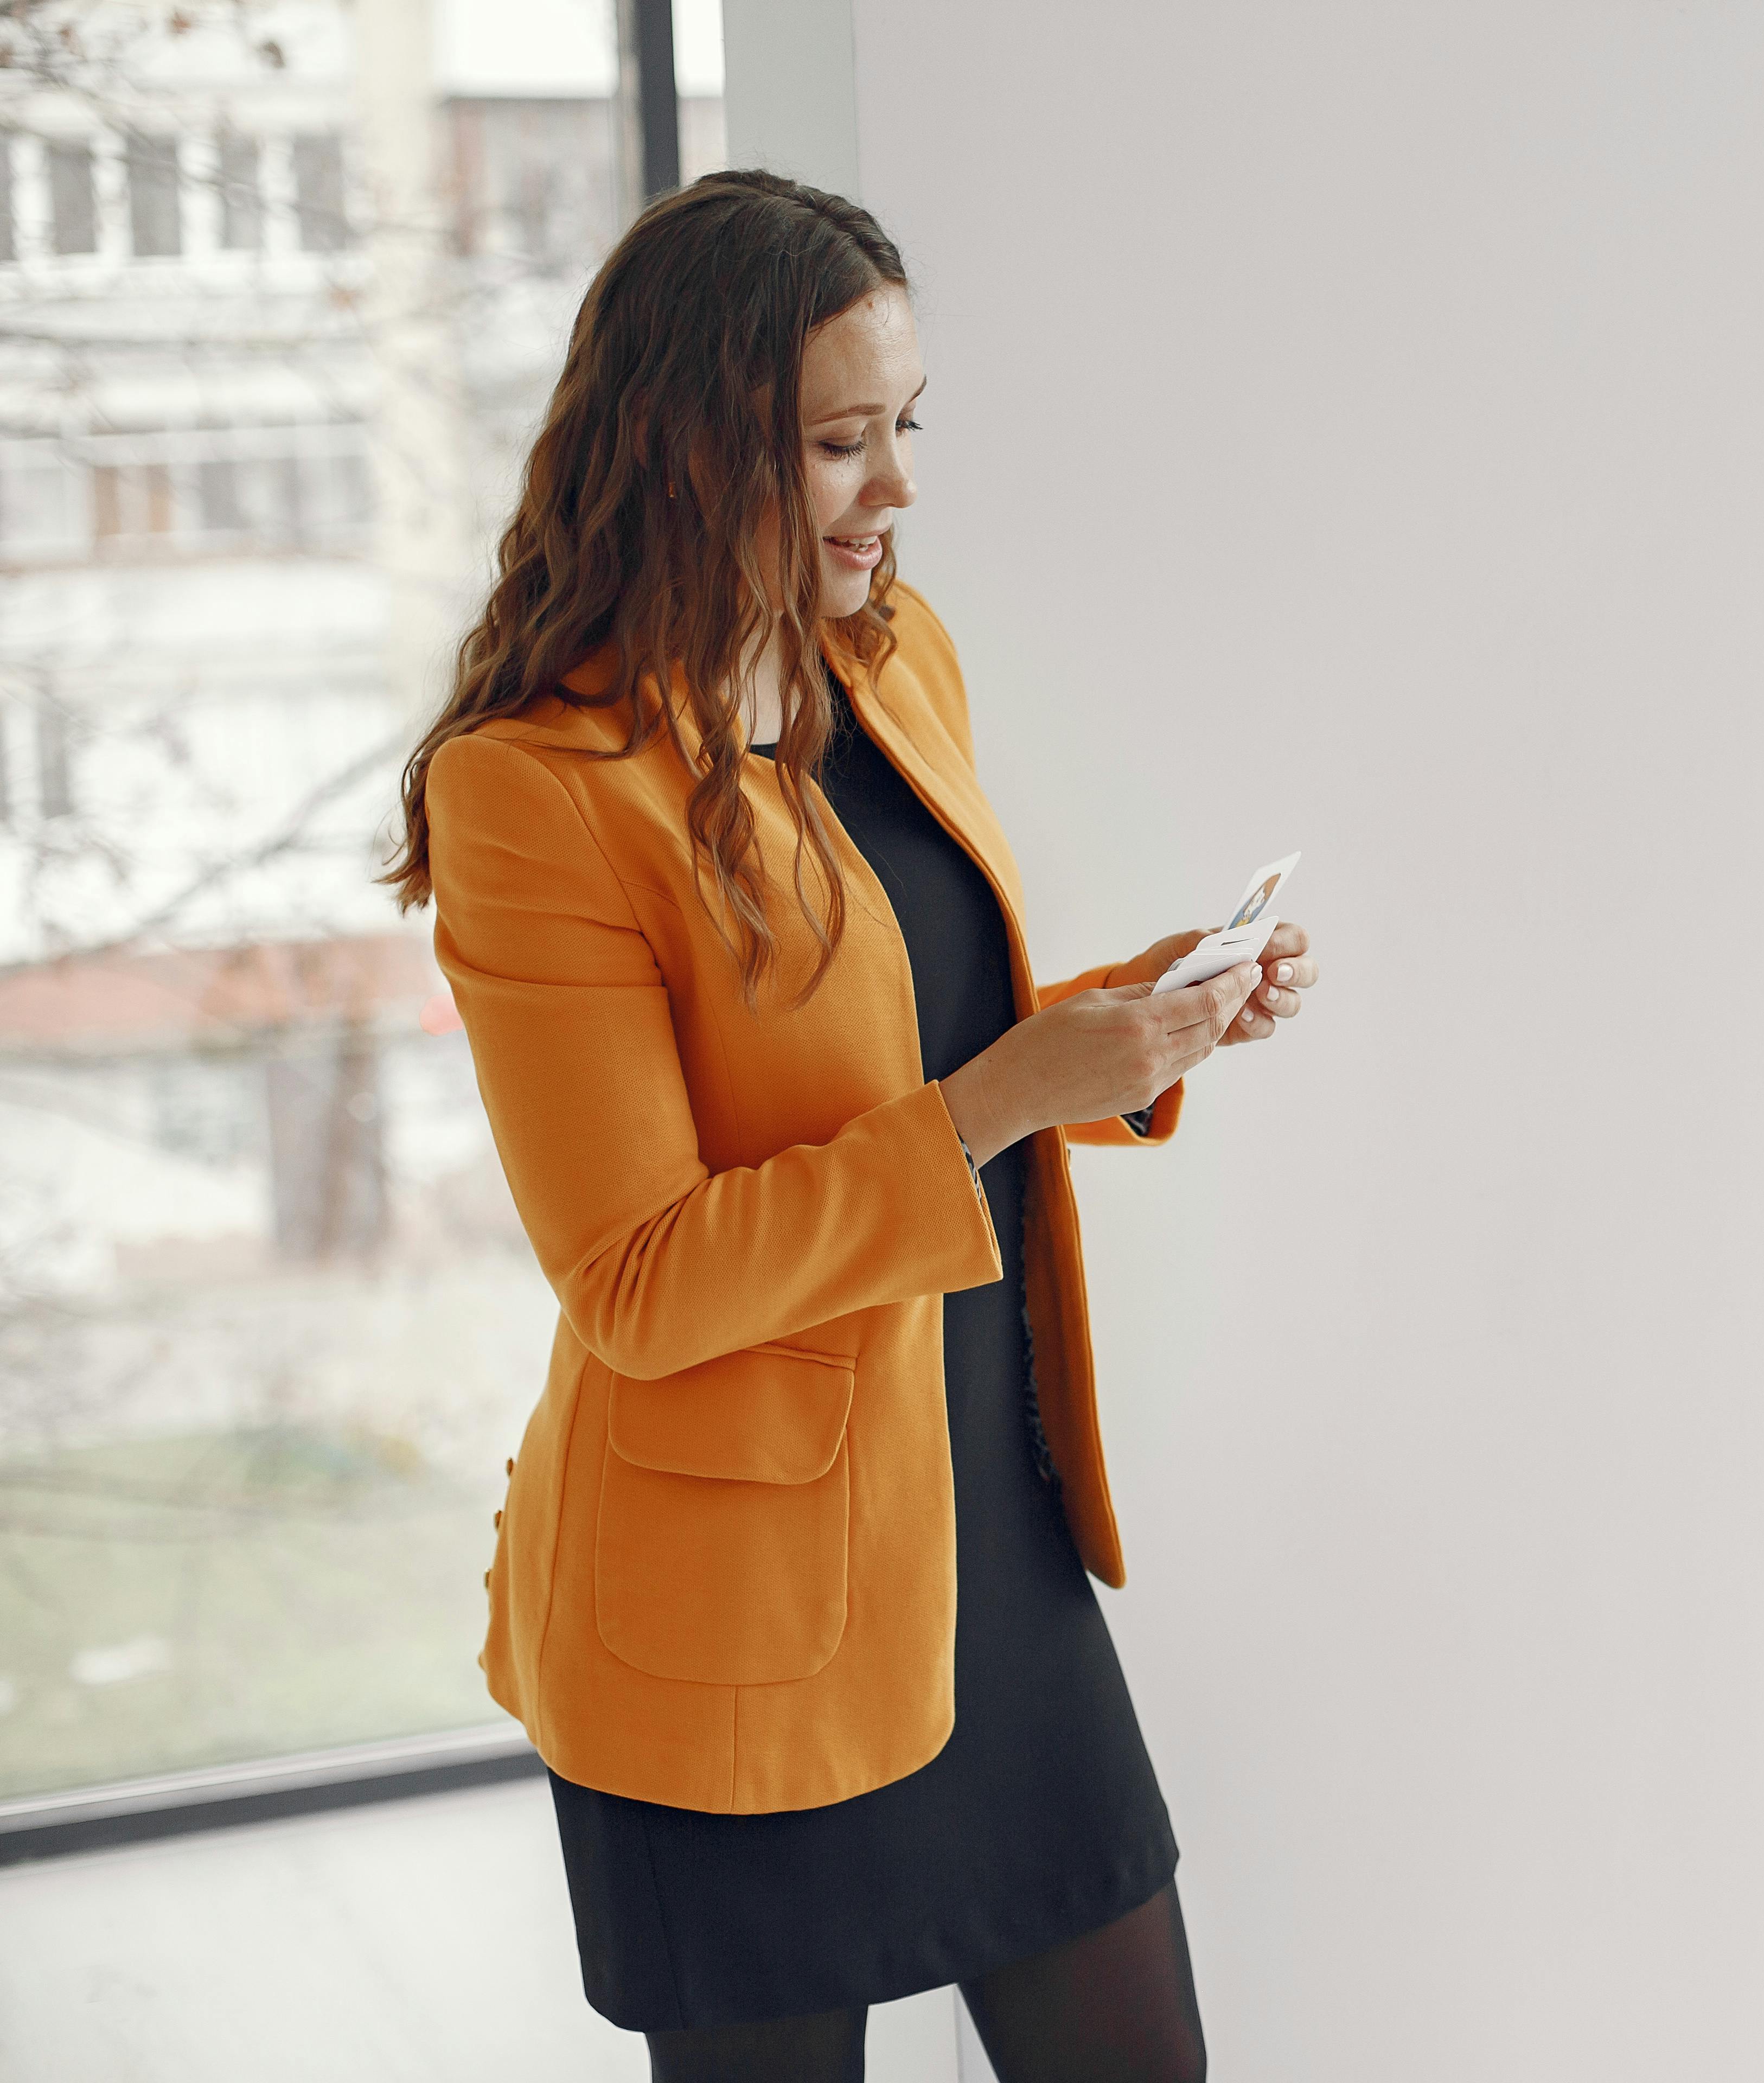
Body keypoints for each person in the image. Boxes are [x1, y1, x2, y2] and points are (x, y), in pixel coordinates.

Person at [383, 169, 1312, 2082]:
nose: (895, 489)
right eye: (835, 443)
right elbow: (641, 1280)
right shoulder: (533, 795)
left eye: (905, 429)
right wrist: (1001, 1099)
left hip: (989, 1553)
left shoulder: (890, 661)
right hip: (727, 1623)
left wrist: (1131, 1029)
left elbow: (917, 1061)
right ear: (687, 452)